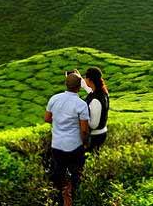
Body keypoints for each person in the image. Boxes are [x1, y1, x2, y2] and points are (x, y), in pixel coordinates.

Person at [45, 73, 90, 206]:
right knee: (76, 172)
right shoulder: (81, 104)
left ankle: (61, 197)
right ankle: (72, 196)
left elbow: (47, 118)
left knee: (59, 171)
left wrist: (59, 120)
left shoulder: (54, 99)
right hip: (74, 146)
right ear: (79, 87)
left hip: (57, 144)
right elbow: (84, 130)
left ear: (66, 84)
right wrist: (85, 143)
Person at [80, 67, 110, 153]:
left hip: (95, 137)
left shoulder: (95, 100)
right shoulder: (103, 92)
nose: (85, 79)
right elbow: (89, 90)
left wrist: (81, 119)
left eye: (85, 78)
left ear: (90, 80)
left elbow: (93, 125)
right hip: (101, 133)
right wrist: (80, 80)